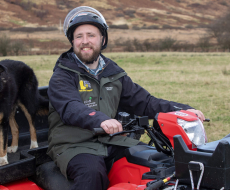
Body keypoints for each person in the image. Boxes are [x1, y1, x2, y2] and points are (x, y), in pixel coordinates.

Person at [47, 6, 205, 190]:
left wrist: (182, 110)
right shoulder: (62, 75)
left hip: (112, 140)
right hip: (74, 145)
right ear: (72, 41)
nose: (85, 41)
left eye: (91, 35)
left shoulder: (113, 74)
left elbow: (145, 102)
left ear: (102, 39)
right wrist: (101, 120)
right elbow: (70, 107)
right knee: (91, 175)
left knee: (155, 162)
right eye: (79, 36)